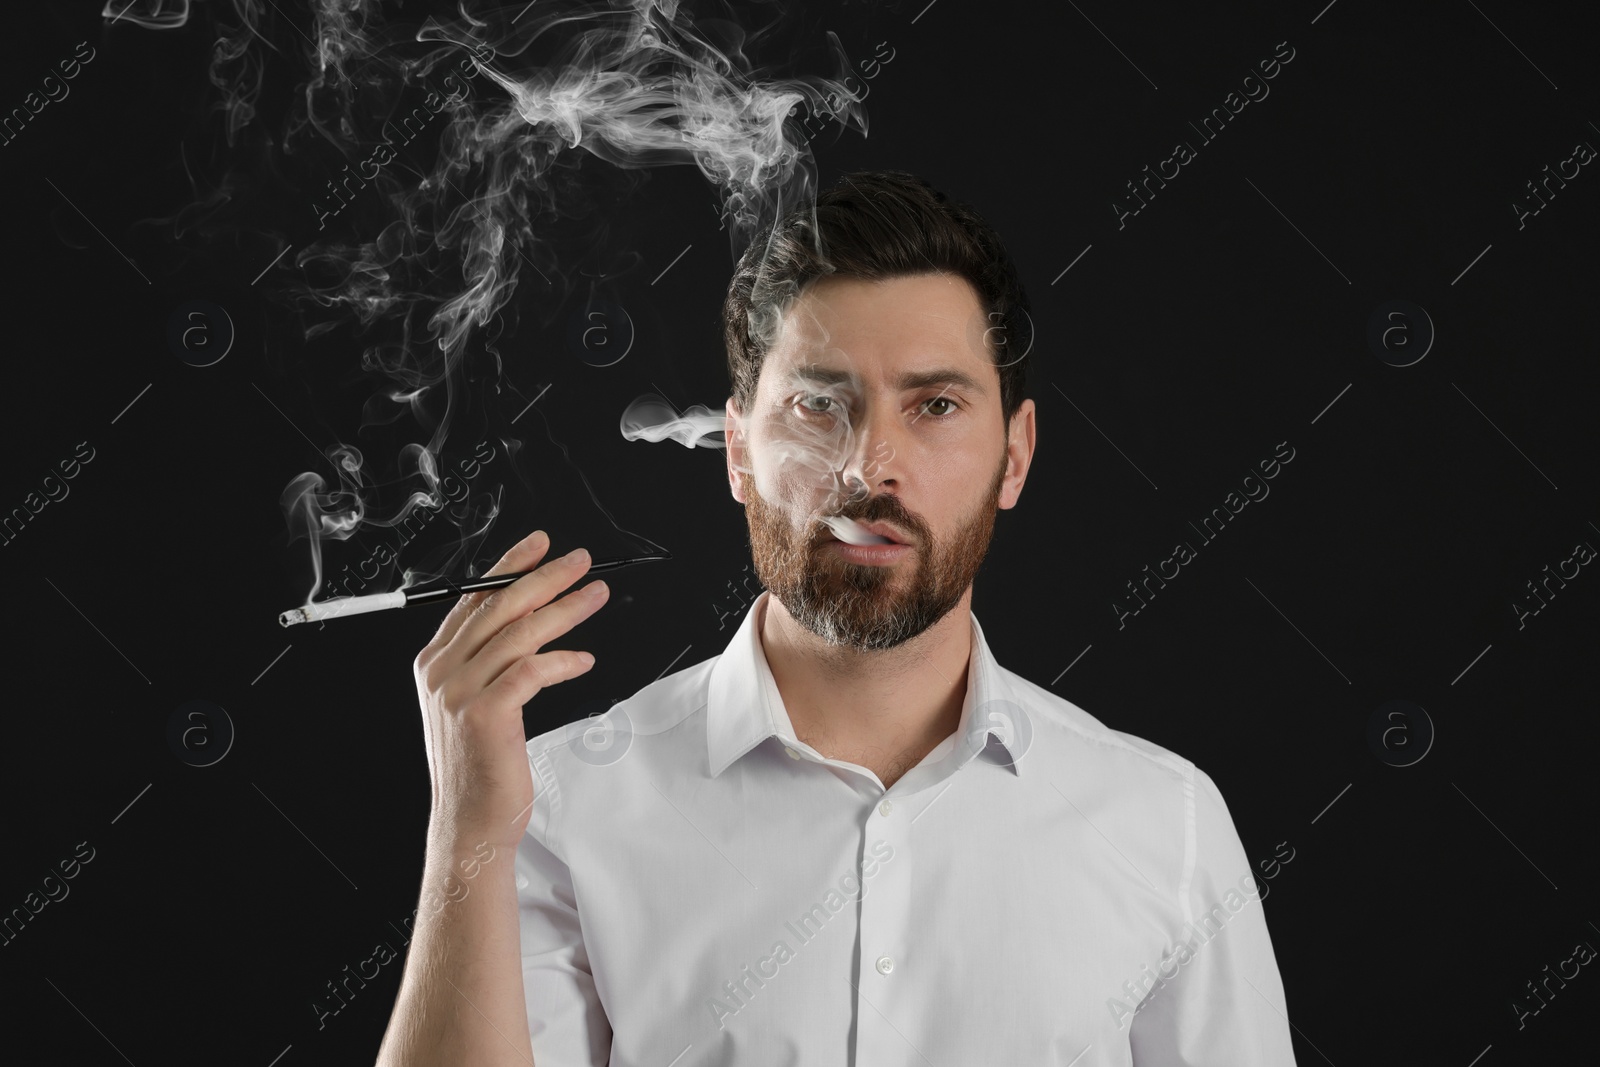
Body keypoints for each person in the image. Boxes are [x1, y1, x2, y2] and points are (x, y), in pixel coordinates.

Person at [377, 171, 1297, 1065]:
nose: (869, 466)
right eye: (819, 404)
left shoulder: (1161, 824)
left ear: (1013, 456)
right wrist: (467, 832)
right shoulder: (560, 808)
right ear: (738, 451)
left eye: (935, 405)